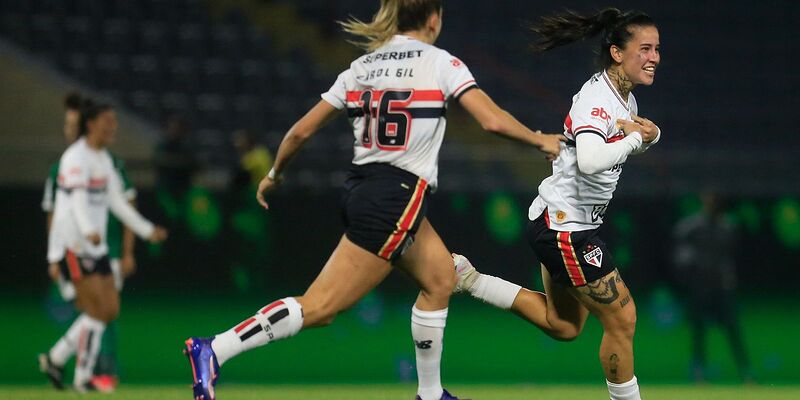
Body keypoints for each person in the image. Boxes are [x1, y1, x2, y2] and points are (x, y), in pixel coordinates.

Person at [183, 1, 563, 399]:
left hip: (364, 188)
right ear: (434, 19)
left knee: (439, 279)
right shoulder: (441, 63)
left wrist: (275, 174)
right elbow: (491, 120)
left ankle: (430, 394)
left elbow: (299, 132)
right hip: (395, 198)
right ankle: (215, 348)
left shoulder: (362, 67)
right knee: (321, 306)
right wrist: (539, 140)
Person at [452, 7, 661, 400]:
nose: (654, 58)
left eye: (657, 49)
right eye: (645, 48)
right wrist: (637, 140)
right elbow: (591, 158)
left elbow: (614, 147)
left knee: (564, 326)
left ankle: (471, 280)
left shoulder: (623, 101)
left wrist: (649, 135)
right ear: (617, 52)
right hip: (567, 228)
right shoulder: (598, 99)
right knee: (623, 319)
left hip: (563, 222)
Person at [38, 100, 168, 392]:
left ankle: (56, 358)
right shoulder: (75, 159)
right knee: (98, 310)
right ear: (91, 124)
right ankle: (82, 377)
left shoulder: (103, 160)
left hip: (94, 248)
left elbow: (116, 202)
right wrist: (87, 231)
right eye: (108, 120)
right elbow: (75, 202)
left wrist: (147, 231)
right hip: (76, 244)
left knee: (108, 310)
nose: (114, 126)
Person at [673, 192, 753, 383]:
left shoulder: (728, 226)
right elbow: (680, 251)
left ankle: (746, 372)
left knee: (732, 329)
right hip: (701, 285)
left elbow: (736, 255)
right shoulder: (692, 226)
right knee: (699, 329)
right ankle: (698, 372)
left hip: (722, 286)